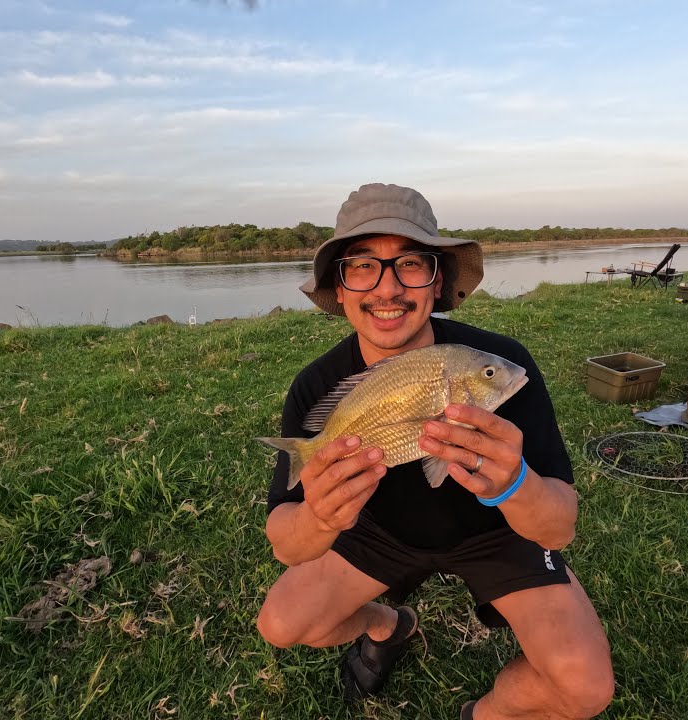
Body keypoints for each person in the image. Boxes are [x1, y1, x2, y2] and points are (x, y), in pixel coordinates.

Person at [255, 183, 614, 719]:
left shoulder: (500, 366)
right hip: (378, 535)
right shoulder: (318, 386)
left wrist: (517, 484)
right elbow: (286, 543)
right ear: (340, 286)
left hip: (497, 535)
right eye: (362, 266)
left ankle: (483, 715)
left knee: (585, 689)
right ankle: (388, 626)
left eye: (412, 264)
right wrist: (320, 516)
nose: (388, 289)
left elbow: (559, 527)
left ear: (437, 278)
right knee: (282, 624)